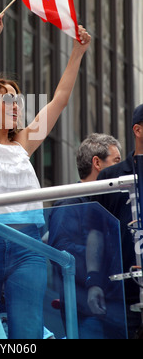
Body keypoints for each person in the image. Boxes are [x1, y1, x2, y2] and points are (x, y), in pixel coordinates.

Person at [0, 12, 91, 339]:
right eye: (8, 100)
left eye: (19, 100)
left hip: (27, 247)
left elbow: (59, 100)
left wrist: (77, 53)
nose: (17, 106)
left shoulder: (22, 142)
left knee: (27, 333)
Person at [48, 133, 126, 339]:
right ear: (97, 163)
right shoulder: (69, 203)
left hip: (115, 305)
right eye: (116, 161)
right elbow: (61, 251)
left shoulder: (110, 203)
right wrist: (105, 255)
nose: (120, 169)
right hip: (86, 310)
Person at [87, 104, 143, 339]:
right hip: (120, 294)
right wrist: (93, 281)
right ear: (138, 130)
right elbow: (95, 233)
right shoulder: (111, 176)